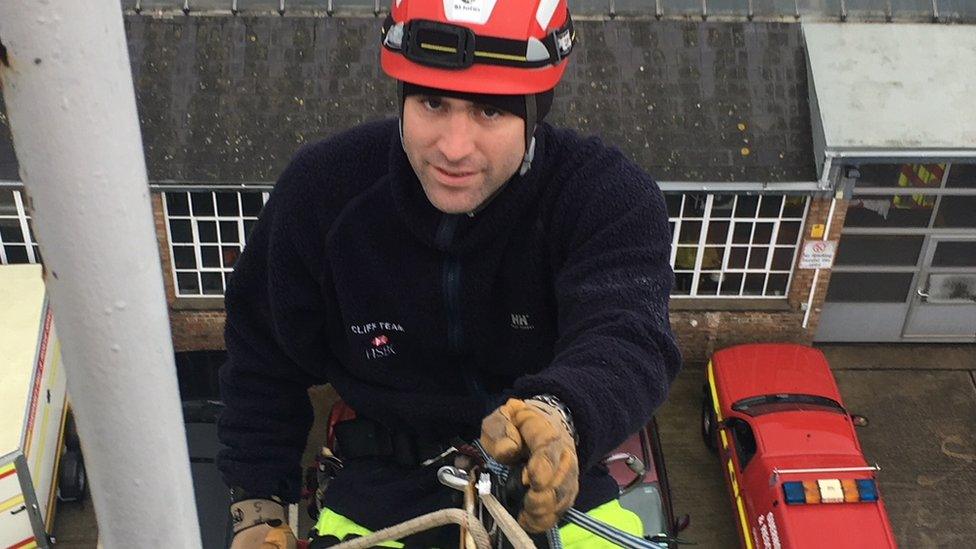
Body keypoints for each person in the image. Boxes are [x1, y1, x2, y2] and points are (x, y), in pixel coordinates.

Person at [217, 0, 682, 547]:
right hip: (378, 500)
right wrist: (257, 508)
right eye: (432, 102)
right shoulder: (323, 195)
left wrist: (560, 413)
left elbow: (627, 335)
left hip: (552, 485)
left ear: (536, 110)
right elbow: (262, 355)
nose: (454, 148)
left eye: (490, 111)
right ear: (401, 98)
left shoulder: (601, 198)